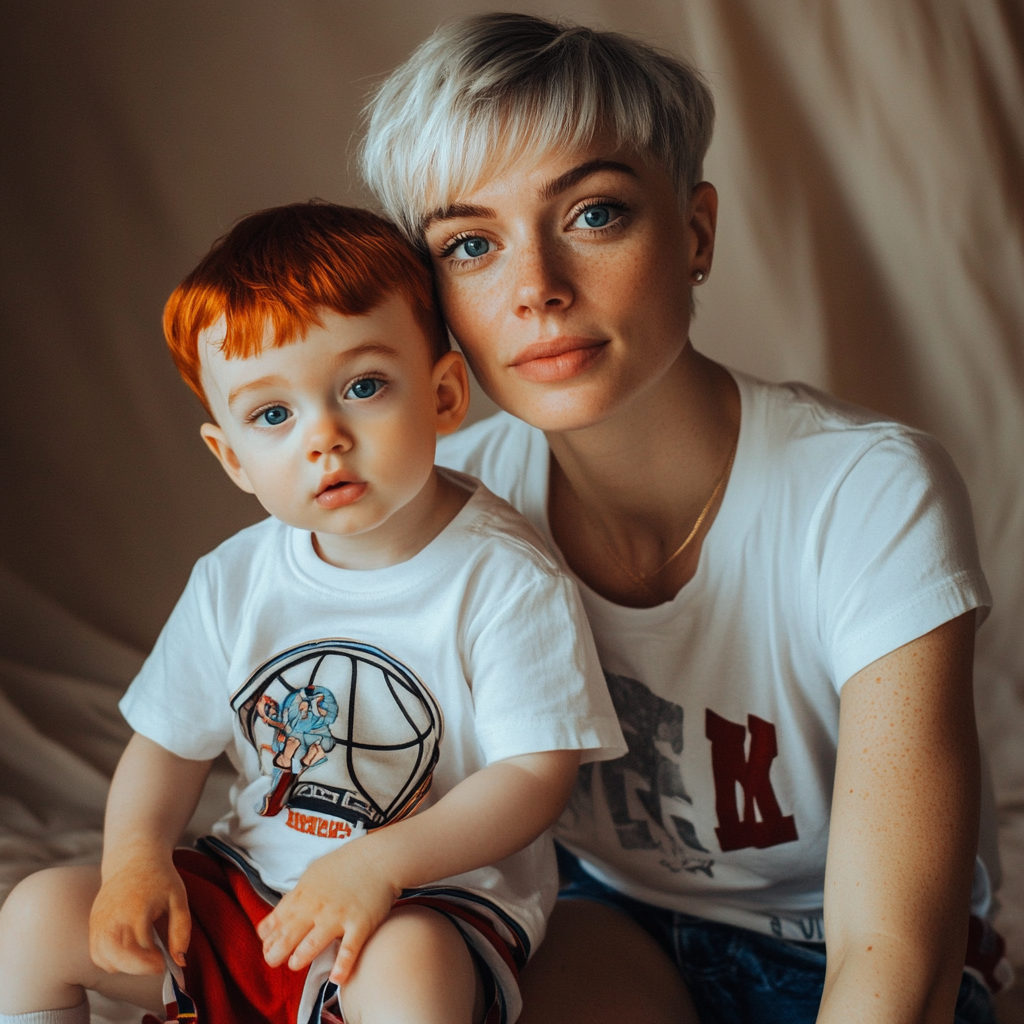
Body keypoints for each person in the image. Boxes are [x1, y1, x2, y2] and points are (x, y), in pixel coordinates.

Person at [360, 13, 1006, 1024]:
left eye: (593, 215)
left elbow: (891, 954)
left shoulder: (867, 491)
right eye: (472, 244)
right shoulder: (453, 503)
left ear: (694, 232)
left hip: (832, 944)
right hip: (602, 921)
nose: (536, 289)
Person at [0, 201, 626, 1024]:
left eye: (363, 387)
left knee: (410, 971)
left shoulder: (504, 577)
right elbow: (166, 746)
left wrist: (379, 866)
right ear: (232, 457)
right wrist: (134, 860)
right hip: (251, 892)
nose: (323, 436)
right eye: (272, 415)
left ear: (442, 395)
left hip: (423, 899)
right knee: (40, 913)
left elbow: (532, 778)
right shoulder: (236, 577)